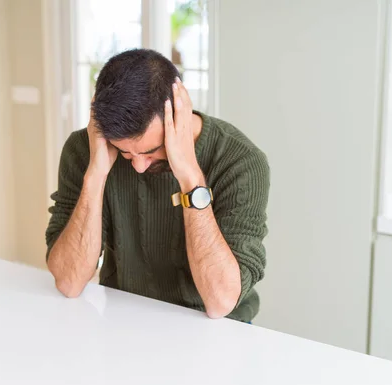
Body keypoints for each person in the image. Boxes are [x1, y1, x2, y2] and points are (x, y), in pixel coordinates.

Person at [45, 49, 269, 322]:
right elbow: (69, 282)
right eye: (125, 153)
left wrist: (191, 179)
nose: (138, 166)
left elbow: (220, 302)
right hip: (125, 321)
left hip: (216, 333)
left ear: (179, 113)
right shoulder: (86, 150)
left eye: (152, 151)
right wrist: (96, 175)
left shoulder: (241, 161)